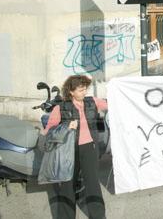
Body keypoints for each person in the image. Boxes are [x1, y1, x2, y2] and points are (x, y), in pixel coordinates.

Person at [45, 75, 107, 219]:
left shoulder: (92, 101)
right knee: (68, 186)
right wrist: (66, 126)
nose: (84, 92)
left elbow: (112, 104)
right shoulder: (61, 108)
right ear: (71, 92)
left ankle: (99, 216)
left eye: (85, 89)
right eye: (80, 90)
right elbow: (49, 131)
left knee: (93, 184)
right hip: (69, 150)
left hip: (89, 148)